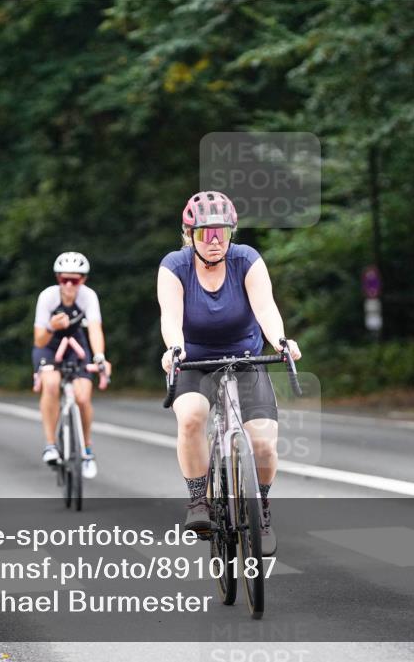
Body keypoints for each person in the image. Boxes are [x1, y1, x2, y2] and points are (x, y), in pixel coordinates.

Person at [157, 191, 301, 556]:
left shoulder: (246, 259)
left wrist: (281, 341)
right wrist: (174, 349)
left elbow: (266, 308)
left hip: (246, 358)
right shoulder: (174, 266)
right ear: (189, 234)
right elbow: (170, 317)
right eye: (206, 233)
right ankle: (198, 501)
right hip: (195, 360)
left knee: (264, 442)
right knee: (191, 418)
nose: (215, 241)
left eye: (222, 232)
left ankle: (262, 509)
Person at [33, 252, 109, 478]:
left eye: (74, 280)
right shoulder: (47, 297)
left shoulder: (88, 296)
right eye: (63, 279)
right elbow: (38, 340)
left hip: (76, 346)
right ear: (57, 278)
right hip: (49, 346)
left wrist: (100, 357)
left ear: (82, 280)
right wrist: (51, 327)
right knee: (52, 383)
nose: (68, 285)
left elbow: (94, 328)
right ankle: (50, 444)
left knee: (83, 397)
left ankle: (86, 450)